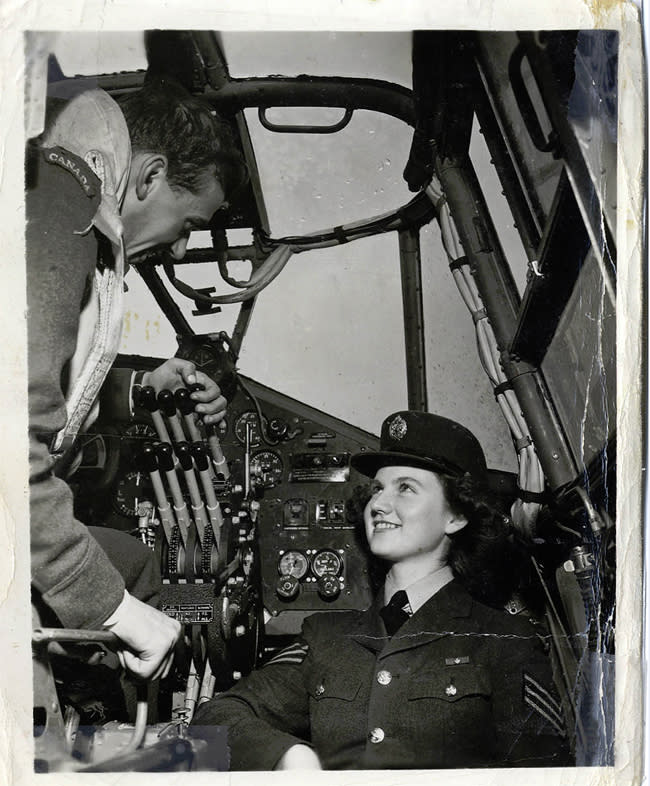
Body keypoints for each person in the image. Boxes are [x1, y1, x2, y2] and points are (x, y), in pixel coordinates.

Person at [192, 410, 571, 769]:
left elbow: (546, 771)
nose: (379, 504)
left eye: (405, 488)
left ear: (455, 515)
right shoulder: (326, 637)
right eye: (377, 489)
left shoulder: (505, 641)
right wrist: (287, 756)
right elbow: (214, 719)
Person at [27, 77, 246, 680]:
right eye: (187, 225)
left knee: (141, 565)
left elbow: (42, 371)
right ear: (149, 176)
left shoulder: (58, 204)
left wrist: (146, 387)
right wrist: (112, 608)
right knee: (134, 586)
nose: (180, 252)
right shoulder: (58, 215)